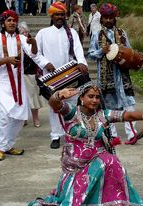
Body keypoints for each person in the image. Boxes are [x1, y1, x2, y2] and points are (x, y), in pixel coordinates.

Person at [18, 82, 143, 206]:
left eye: (98, 97)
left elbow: (126, 115)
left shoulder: (102, 115)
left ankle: (113, 203)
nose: (95, 100)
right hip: (75, 168)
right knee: (105, 161)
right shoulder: (72, 113)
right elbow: (55, 104)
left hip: (97, 160)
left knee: (111, 161)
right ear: (81, 98)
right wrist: (59, 95)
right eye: (91, 96)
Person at [88, 3, 143, 144]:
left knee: (129, 103)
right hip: (107, 78)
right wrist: (102, 51)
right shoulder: (96, 35)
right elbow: (91, 55)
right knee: (108, 106)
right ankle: (112, 136)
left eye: (110, 17)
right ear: (102, 19)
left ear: (114, 18)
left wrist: (138, 61)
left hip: (123, 75)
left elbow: (130, 51)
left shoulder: (122, 33)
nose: (108, 20)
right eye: (105, 17)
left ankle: (131, 134)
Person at [35, 1, 88, 149]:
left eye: (62, 14)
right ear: (51, 16)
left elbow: (78, 50)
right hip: (52, 77)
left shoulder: (72, 32)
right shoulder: (43, 33)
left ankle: (72, 134)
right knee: (55, 106)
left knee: (72, 105)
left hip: (70, 75)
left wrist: (82, 62)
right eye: (56, 14)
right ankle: (56, 136)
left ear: (65, 16)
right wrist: (45, 63)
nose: (59, 16)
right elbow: (36, 53)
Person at [0, 10, 39, 161]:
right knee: (4, 115)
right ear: (3, 23)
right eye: (8, 20)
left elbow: (33, 54)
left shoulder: (21, 38)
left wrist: (34, 43)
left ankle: (9, 146)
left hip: (18, 83)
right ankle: (1, 147)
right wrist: (7, 60)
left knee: (19, 116)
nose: (12, 23)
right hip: (2, 83)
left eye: (14, 20)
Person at [18, 21, 45, 127]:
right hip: (20, 73)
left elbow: (38, 55)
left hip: (32, 72)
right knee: (22, 98)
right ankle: (23, 118)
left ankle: (35, 118)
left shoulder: (32, 41)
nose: (23, 35)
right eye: (21, 32)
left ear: (28, 32)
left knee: (34, 98)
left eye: (25, 32)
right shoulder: (17, 42)